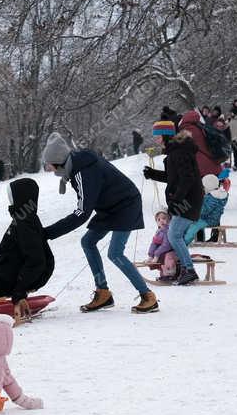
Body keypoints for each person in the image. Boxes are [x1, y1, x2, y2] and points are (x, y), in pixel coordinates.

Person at [40, 132, 157, 314]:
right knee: (88, 242)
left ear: (58, 161)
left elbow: (81, 213)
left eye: (50, 165)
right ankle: (103, 293)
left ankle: (148, 296)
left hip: (126, 204)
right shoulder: (75, 165)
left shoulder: (83, 172)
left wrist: (48, 233)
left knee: (115, 253)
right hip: (109, 207)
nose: (50, 169)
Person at [0, 178, 55, 320]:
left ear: (20, 197)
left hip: (13, 281)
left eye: (12, 195)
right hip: (10, 276)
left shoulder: (25, 222)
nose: (9, 199)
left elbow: (36, 260)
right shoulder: (23, 218)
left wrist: (20, 289)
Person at [143, 126, 204, 285]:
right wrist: (152, 174)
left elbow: (187, 178)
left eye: (158, 137)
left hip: (188, 201)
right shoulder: (175, 152)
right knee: (175, 235)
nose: (156, 140)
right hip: (184, 201)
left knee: (174, 235)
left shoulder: (180, 153)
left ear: (165, 136)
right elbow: (173, 178)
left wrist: (176, 199)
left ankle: (188, 270)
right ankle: (182, 269)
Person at [184, 173, 229, 244]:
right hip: (214, 219)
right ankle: (197, 238)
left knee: (193, 226)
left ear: (209, 186)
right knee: (193, 222)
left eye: (204, 187)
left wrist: (195, 209)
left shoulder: (211, 197)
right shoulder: (219, 196)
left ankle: (184, 242)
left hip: (208, 220)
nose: (203, 189)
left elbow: (204, 210)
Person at [177, 109, 223, 177]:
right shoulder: (201, 128)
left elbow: (178, 145)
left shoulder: (187, 130)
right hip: (212, 163)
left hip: (200, 166)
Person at [145, 210, 179, 282]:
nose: (161, 221)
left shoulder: (168, 230)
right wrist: (151, 255)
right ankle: (163, 273)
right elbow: (154, 243)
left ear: (168, 220)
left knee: (167, 258)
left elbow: (166, 245)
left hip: (171, 250)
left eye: (164, 218)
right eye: (159, 219)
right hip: (162, 251)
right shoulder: (159, 231)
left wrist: (156, 254)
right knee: (161, 257)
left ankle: (170, 275)